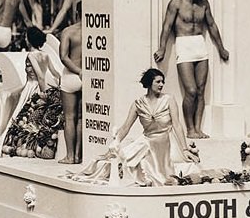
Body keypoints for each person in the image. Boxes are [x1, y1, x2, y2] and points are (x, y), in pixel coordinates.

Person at [68, 69, 200, 186]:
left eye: (162, 82)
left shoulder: (169, 99)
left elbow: (177, 125)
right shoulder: (138, 104)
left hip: (167, 142)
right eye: (158, 82)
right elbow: (126, 127)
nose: (161, 85)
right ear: (149, 83)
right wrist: (116, 141)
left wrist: (184, 149)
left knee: (177, 170)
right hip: (147, 142)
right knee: (120, 161)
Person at [153, 0, 229, 139]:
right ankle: (189, 129)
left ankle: (197, 128)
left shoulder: (204, 3)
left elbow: (212, 25)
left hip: (200, 45)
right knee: (191, 91)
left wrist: (221, 48)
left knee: (201, 90)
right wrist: (162, 48)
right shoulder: (176, 3)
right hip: (184, 45)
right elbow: (166, 27)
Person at [0, 26, 61, 158]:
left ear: (29, 40)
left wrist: (44, 94)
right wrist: (58, 85)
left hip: (31, 87)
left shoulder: (31, 55)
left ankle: (0, 140)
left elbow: (40, 77)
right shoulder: (46, 55)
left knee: (16, 114)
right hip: (36, 86)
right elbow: (56, 73)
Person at [58, 1, 83, 164]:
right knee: (81, 119)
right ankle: (79, 156)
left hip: (71, 75)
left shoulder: (69, 31)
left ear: (76, 12)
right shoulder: (96, 31)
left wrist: (77, 70)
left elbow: (63, 57)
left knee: (69, 118)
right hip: (88, 76)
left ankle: (69, 156)